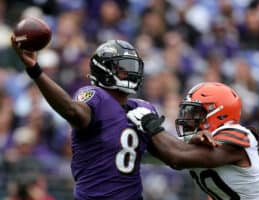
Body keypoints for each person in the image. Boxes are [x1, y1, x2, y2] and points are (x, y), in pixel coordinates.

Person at [11, 37, 158, 199]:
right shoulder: (95, 98)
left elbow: (174, 156)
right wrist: (35, 70)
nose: (129, 72)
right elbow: (71, 110)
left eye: (131, 67)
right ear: (104, 70)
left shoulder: (142, 109)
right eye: (123, 68)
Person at [127, 82, 259, 199]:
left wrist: (150, 124)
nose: (188, 118)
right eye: (187, 112)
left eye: (195, 113)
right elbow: (163, 154)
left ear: (219, 113)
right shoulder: (192, 147)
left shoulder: (236, 134)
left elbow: (176, 157)